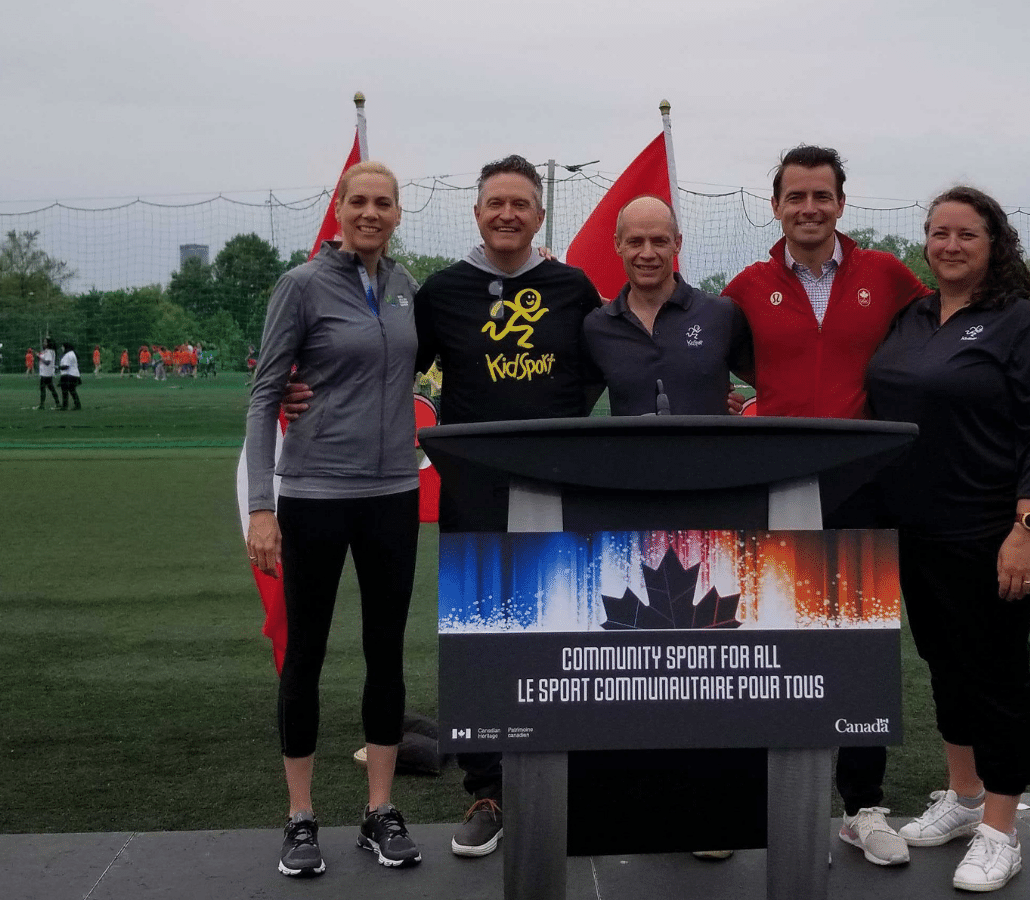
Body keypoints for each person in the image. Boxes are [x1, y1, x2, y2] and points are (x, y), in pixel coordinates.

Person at [722, 145, 931, 868]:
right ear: (774, 205)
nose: (808, 208)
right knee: (765, 643)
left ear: (842, 202)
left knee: (861, 646)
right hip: (776, 487)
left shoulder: (888, 276)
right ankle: (745, 801)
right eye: (795, 197)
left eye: (822, 195)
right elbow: (734, 361)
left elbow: (937, 336)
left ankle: (862, 807)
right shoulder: (746, 286)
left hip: (866, 486)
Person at [867, 186, 1030, 892]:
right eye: (938, 233)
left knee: (998, 673)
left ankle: (1002, 830)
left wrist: (1028, 528)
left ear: (994, 243)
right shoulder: (914, 316)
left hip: (993, 528)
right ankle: (963, 798)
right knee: (943, 662)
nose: (949, 245)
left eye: (965, 235)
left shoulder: (1022, 323)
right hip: (915, 529)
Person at [413, 154, 604, 857]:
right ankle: (486, 789)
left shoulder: (572, 287)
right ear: (477, 212)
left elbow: (600, 370)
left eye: (521, 204)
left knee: (563, 627)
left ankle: (563, 775)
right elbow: (393, 365)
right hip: (473, 489)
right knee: (478, 636)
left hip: (556, 485)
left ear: (539, 215)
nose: (507, 214)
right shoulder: (443, 292)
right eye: (496, 202)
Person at [244, 160, 424, 878]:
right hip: (313, 496)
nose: (370, 213)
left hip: (393, 496)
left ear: (397, 213)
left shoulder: (408, 288)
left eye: (383, 203)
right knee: (306, 656)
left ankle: (379, 812)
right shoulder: (300, 284)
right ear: (339, 209)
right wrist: (262, 505)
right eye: (359, 201)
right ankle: (299, 817)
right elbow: (264, 397)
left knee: (386, 652)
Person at [584, 195, 753, 415]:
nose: (647, 253)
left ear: (677, 243)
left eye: (659, 241)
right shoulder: (597, 327)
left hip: (711, 451)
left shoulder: (721, 314)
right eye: (635, 242)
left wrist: (743, 408)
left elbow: (772, 387)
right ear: (618, 245)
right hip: (630, 451)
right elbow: (567, 405)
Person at [36, 339, 61, 410]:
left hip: (46, 373)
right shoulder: (50, 351)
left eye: (45, 342)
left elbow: (47, 362)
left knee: (43, 389)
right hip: (47, 373)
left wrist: (40, 357)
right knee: (51, 388)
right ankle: (57, 403)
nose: (44, 343)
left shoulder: (49, 352)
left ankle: (42, 405)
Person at [58, 342, 83, 410]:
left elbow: (66, 366)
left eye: (62, 347)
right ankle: (78, 405)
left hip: (68, 375)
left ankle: (65, 406)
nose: (62, 348)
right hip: (75, 375)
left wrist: (58, 367)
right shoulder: (72, 353)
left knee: (65, 391)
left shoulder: (67, 355)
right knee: (72, 390)